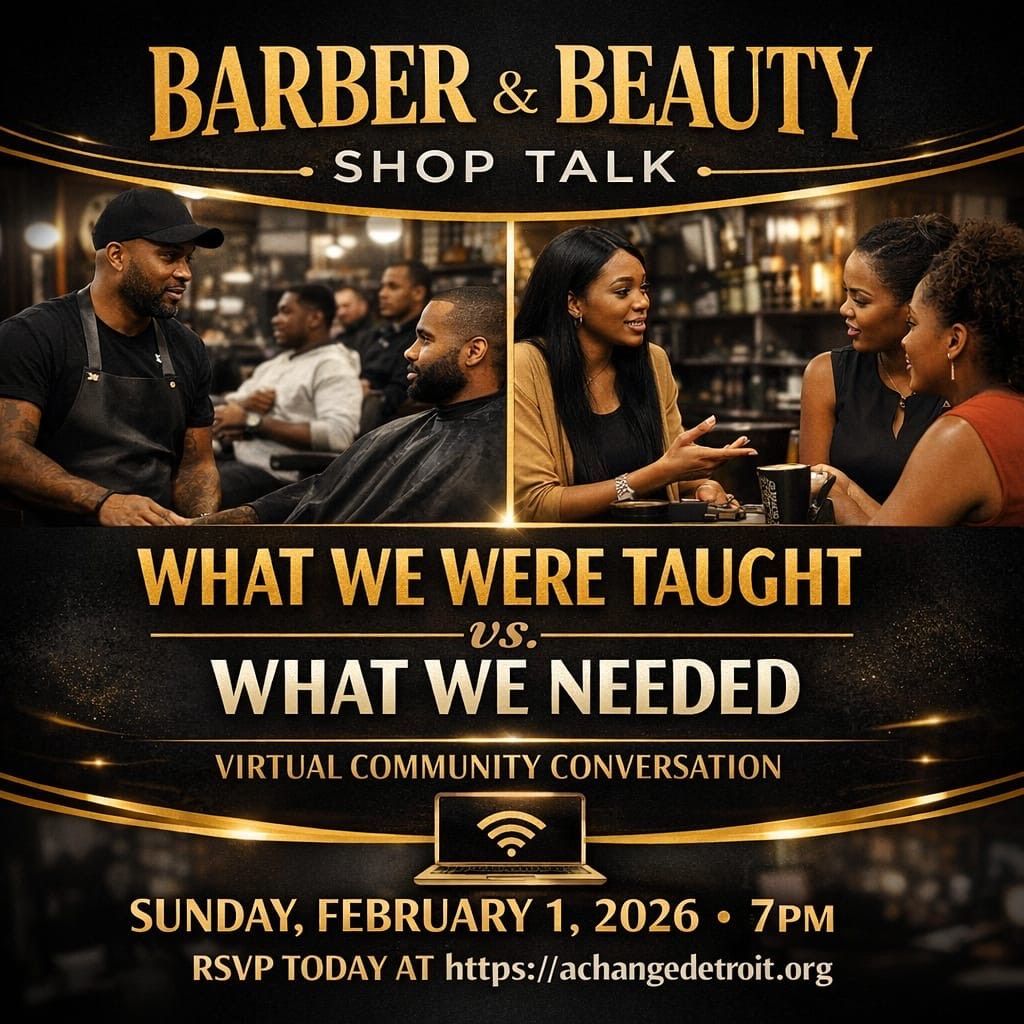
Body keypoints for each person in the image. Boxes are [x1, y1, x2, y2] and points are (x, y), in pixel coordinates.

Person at [0, 187, 222, 525]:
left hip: (154, 546)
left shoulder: (187, 347)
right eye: (169, 256)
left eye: (187, 259)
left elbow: (197, 464)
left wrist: (201, 529)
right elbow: (7, 452)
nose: (185, 273)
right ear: (117, 256)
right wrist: (102, 502)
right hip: (50, 546)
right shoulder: (35, 335)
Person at [196, 286, 505, 524]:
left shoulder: (493, 446)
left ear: (474, 351)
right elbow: (322, 490)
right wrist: (245, 516)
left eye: (425, 340)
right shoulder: (400, 432)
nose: (409, 352)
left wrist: (253, 422)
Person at [514, 226, 755, 522]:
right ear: (574, 303)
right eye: (622, 291)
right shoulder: (526, 364)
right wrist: (659, 473)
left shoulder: (653, 361)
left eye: (643, 288)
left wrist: (703, 485)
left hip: (654, 556)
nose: (642, 302)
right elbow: (535, 505)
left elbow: (671, 474)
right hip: (571, 560)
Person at [816, 220, 1024, 526]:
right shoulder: (1011, 411)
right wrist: (847, 489)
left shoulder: (960, 434)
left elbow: (887, 561)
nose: (905, 340)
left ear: (954, 340)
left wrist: (836, 500)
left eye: (912, 324)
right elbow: (918, 538)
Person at [799, 214, 958, 503]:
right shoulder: (826, 374)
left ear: (916, 305)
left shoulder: (961, 379)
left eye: (860, 300)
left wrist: (845, 491)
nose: (844, 309)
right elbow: (812, 501)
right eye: (846, 294)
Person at [212, 284, 362, 506]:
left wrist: (251, 421)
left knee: (186, 491)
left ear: (314, 319)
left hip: (279, 477)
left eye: (286, 311)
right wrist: (242, 407)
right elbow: (230, 407)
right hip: (235, 458)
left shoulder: (332, 366)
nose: (275, 319)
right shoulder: (274, 365)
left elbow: (338, 435)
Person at [358, 260, 432, 427]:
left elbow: (401, 393)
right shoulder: (378, 334)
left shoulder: (426, 337)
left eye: (393, 287)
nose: (382, 294)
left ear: (418, 292)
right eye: (382, 286)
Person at [332, 284, 376, 358]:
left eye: (346, 306)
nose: (341, 312)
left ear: (363, 306)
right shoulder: (338, 339)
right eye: (337, 307)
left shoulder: (377, 337)